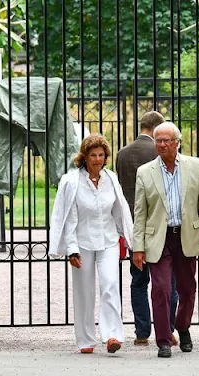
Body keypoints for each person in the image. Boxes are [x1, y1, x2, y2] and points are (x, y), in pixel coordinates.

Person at [132, 122, 199, 358]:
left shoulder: (195, 166)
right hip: (159, 238)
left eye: (166, 140)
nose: (161, 145)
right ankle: (163, 340)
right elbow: (140, 214)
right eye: (158, 140)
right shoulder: (145, 172)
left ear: (177, 143)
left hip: (186, 236)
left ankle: (183, 327)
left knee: (188, 289)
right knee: (160, 289)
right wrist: (137, 247)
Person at [49, 133, 133, 354]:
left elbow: (120, 211)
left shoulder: (111, 179)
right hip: (82, 243)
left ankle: (112, 334)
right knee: (84, 292)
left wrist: (130, 240)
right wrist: (71, 249)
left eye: (101, 155)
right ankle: (86, 340)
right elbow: (68, 219)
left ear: (106, 157)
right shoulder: (71, 181)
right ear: (84, 156)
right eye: (93, 155)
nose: (97, 159)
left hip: (108, 241)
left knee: (110, 285)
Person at [116, 111, 179, 346]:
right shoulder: (161, 151)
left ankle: (142, 332)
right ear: (157, 129)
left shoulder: (122, 154)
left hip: (134, 226)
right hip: (161, 225)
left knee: (139, 281)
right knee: (167, 282)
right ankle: (168, 329)